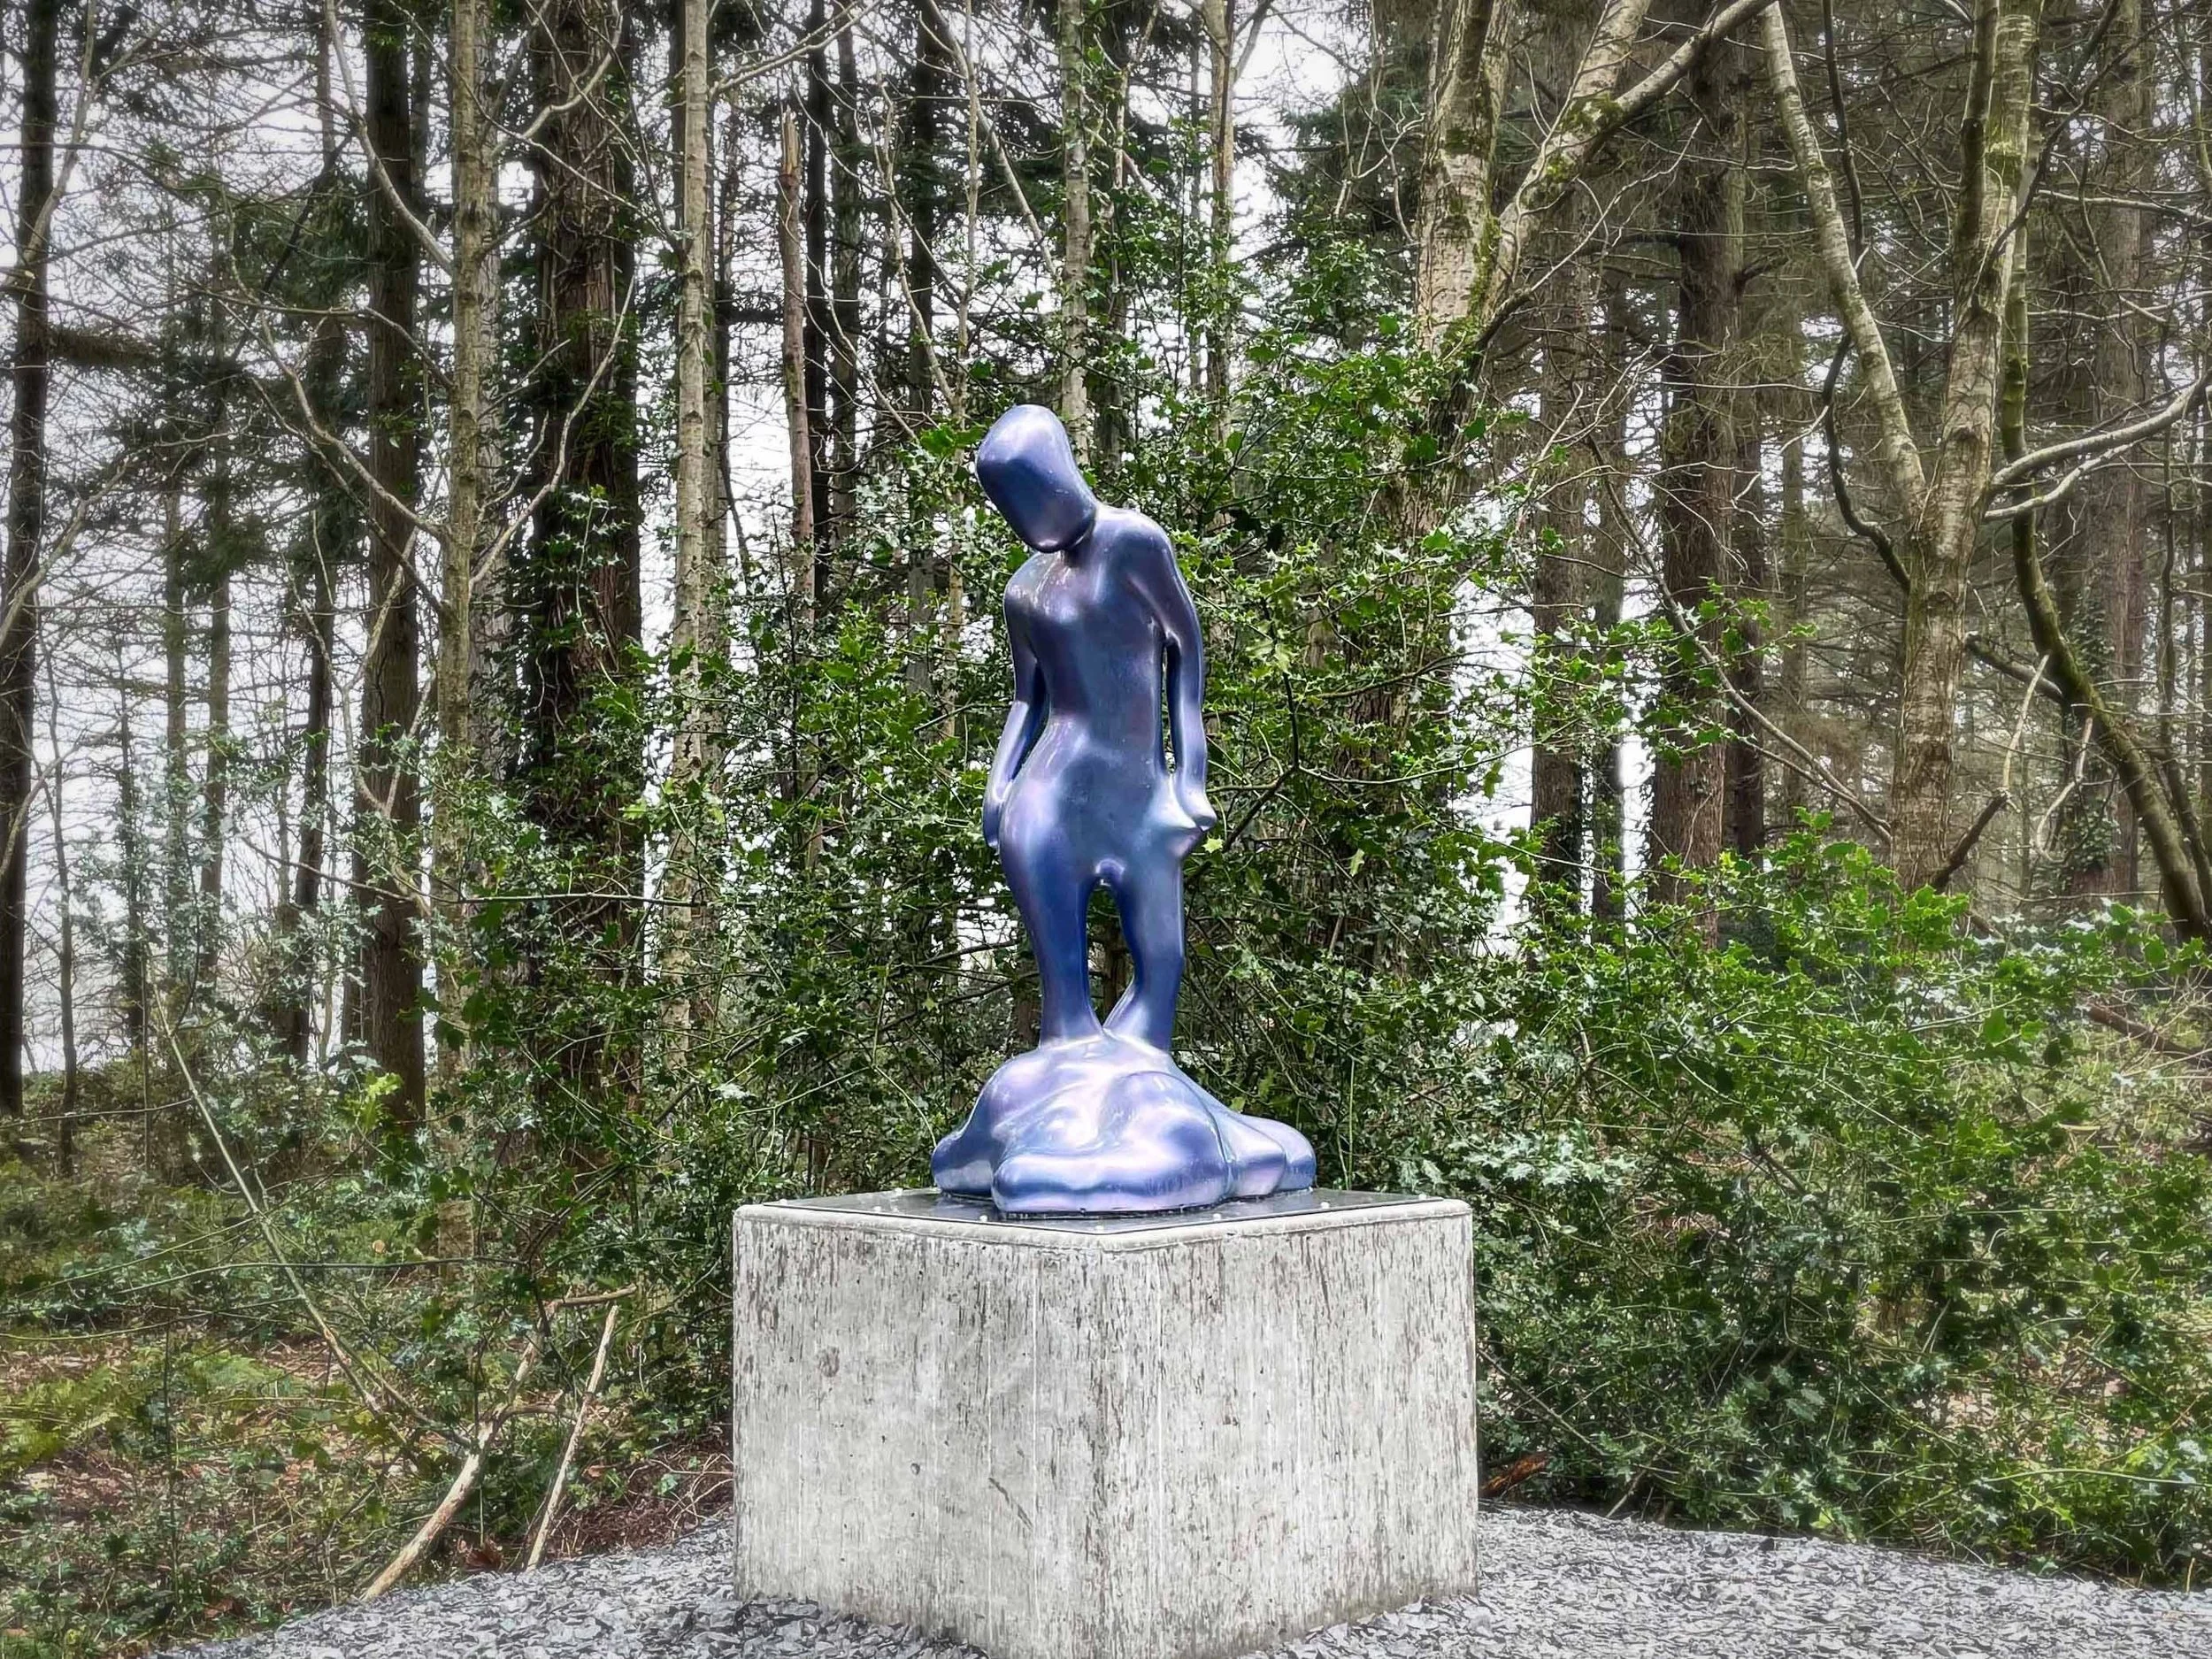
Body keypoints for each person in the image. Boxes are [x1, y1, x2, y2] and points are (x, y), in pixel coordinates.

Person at [932, 404, 1317, 1213]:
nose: (1027, 518)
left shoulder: (1134, 541)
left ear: (1063, 472)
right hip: (1048, 793)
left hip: (1138, 791)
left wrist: (1191, 775)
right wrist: (999, 785)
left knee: (1161, 965)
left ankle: (1149, 1100)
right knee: (1064, 1005)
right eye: (1010, 506)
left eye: (1033, 494)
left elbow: (1188, 648)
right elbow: (1022, 702)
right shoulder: (1023, 590)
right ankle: (1066, 1094)